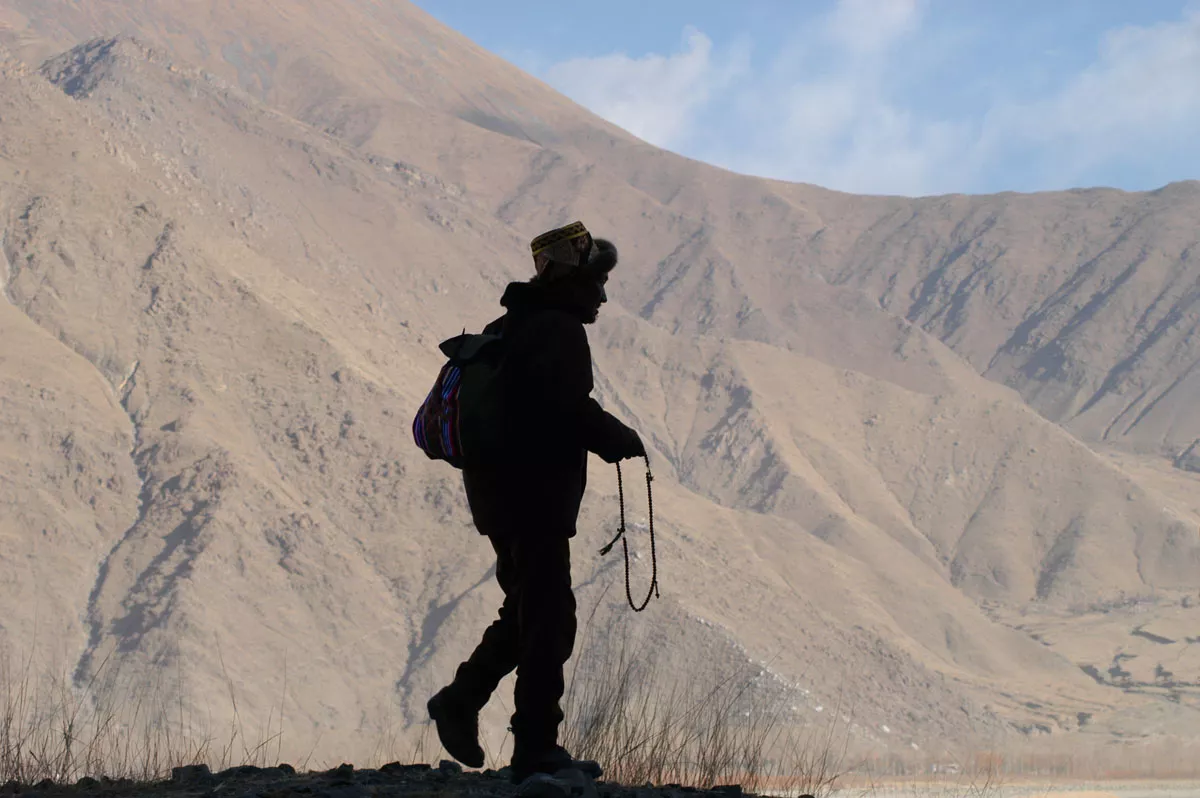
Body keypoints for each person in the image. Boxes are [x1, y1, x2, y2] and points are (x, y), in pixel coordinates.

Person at [427, 221, 646, 783]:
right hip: (534, 500)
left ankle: (462, 701)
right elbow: (565, 409)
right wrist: (621, 439)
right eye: (595, 282)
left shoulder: (512, 324)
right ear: (570, 281)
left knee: (528, 610)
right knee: (549, 620)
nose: (602, 295)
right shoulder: (557, 331)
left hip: (501, 498)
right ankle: (535, 750)